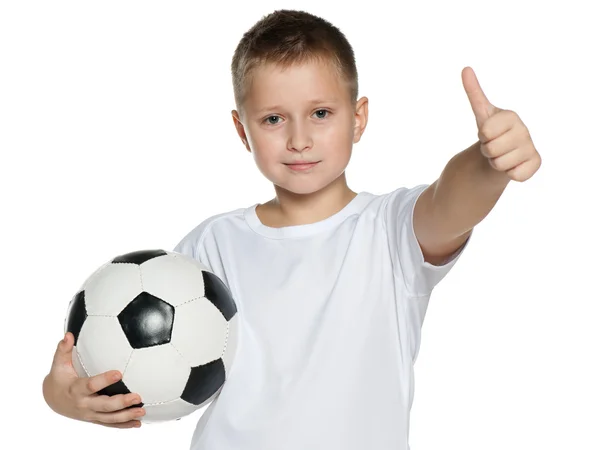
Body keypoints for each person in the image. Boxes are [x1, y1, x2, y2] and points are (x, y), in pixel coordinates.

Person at [42, 8, 541, 450]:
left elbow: (451, 202)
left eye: (321, 113)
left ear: (358, 118)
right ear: (243, 130)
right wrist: (62, 396)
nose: (299, 139)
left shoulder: (390, 230)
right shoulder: (212, 246)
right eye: (274, 119)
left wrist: (488, 162)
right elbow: (139, 357)